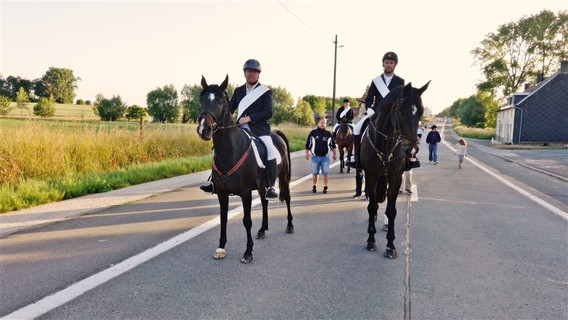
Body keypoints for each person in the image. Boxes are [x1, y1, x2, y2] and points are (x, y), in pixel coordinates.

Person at [200, 58, 279, 200]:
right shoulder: (238, 91)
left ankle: (270, 186)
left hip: (260, 129)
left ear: (258, 74)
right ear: (244, 73)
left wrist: (249, 118)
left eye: (254, 72)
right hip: (240, 128)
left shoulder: (265, 92)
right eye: (249, 71)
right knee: (221, 148)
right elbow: (229, 110)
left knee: (270, 149)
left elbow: (268, 112)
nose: (251, 74)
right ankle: (213, 181)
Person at [349, 51, 409, 198]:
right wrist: (369, 109)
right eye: (387, 62)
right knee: (357, 128)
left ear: (395, 65)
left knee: (405, 131)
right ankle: (357, 159)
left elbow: (403, 100)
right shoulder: (376, 81)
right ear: (383, 64)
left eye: (391, 62)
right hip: (376, 114)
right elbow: (369, 98)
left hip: (393, 116)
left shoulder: (400, 81)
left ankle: (408, 160)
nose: (389, 64)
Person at [305, 117, 337, 194]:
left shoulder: (328, 134)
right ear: (318, 123)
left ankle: (325, 187)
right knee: (315, 173)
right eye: (321, 123)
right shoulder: (313, 133)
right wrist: (307, 153)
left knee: (325, 173)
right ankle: (314, 186)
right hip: (315, 157)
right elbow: (308, 144)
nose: (323, 124)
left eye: (324, 123)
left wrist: (334, 154)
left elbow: (333, 145)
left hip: (325, 157)